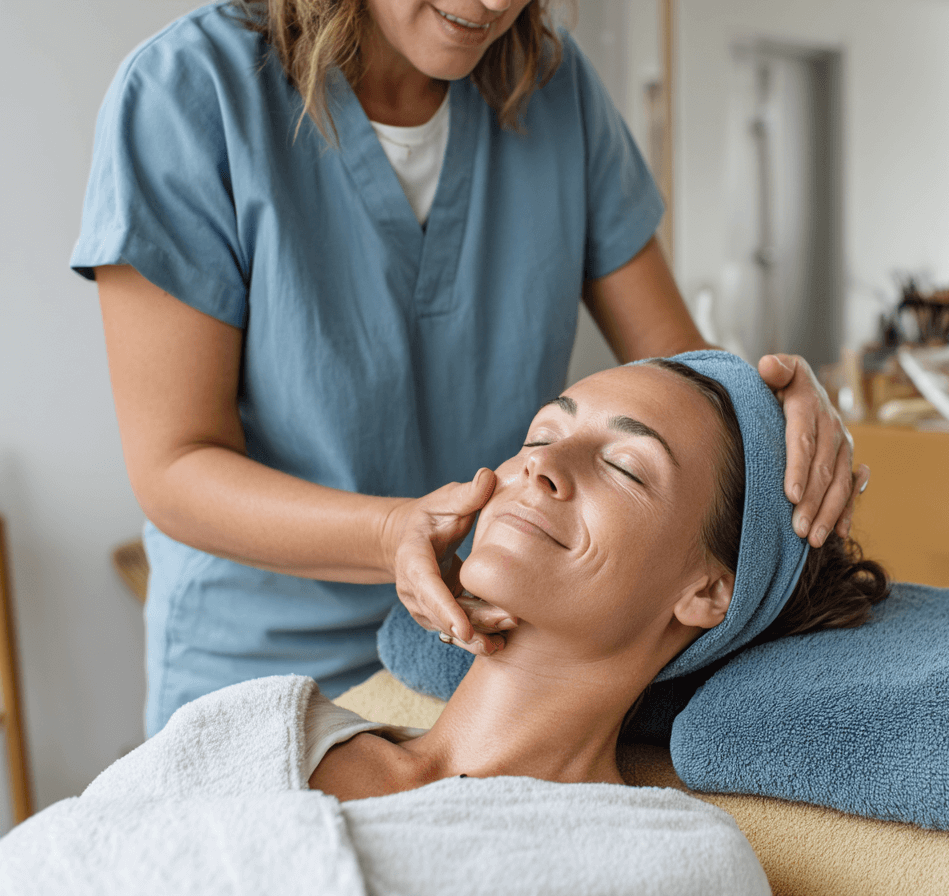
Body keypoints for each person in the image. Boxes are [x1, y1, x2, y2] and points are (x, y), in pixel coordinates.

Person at [75, 0, 865, 736]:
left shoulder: (554, 88)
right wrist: (392, 535)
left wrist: (772, 408)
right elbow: (174, 465)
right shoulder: (191, 93)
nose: (492, 3)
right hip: (261, 672)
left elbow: (685, 384)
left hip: (494, 654)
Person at [0, 354, 890, 894]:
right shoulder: (253, 723)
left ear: (706, 593)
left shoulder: (675, 860)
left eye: (625, 467)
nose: (543, 465)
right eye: (541, 433)